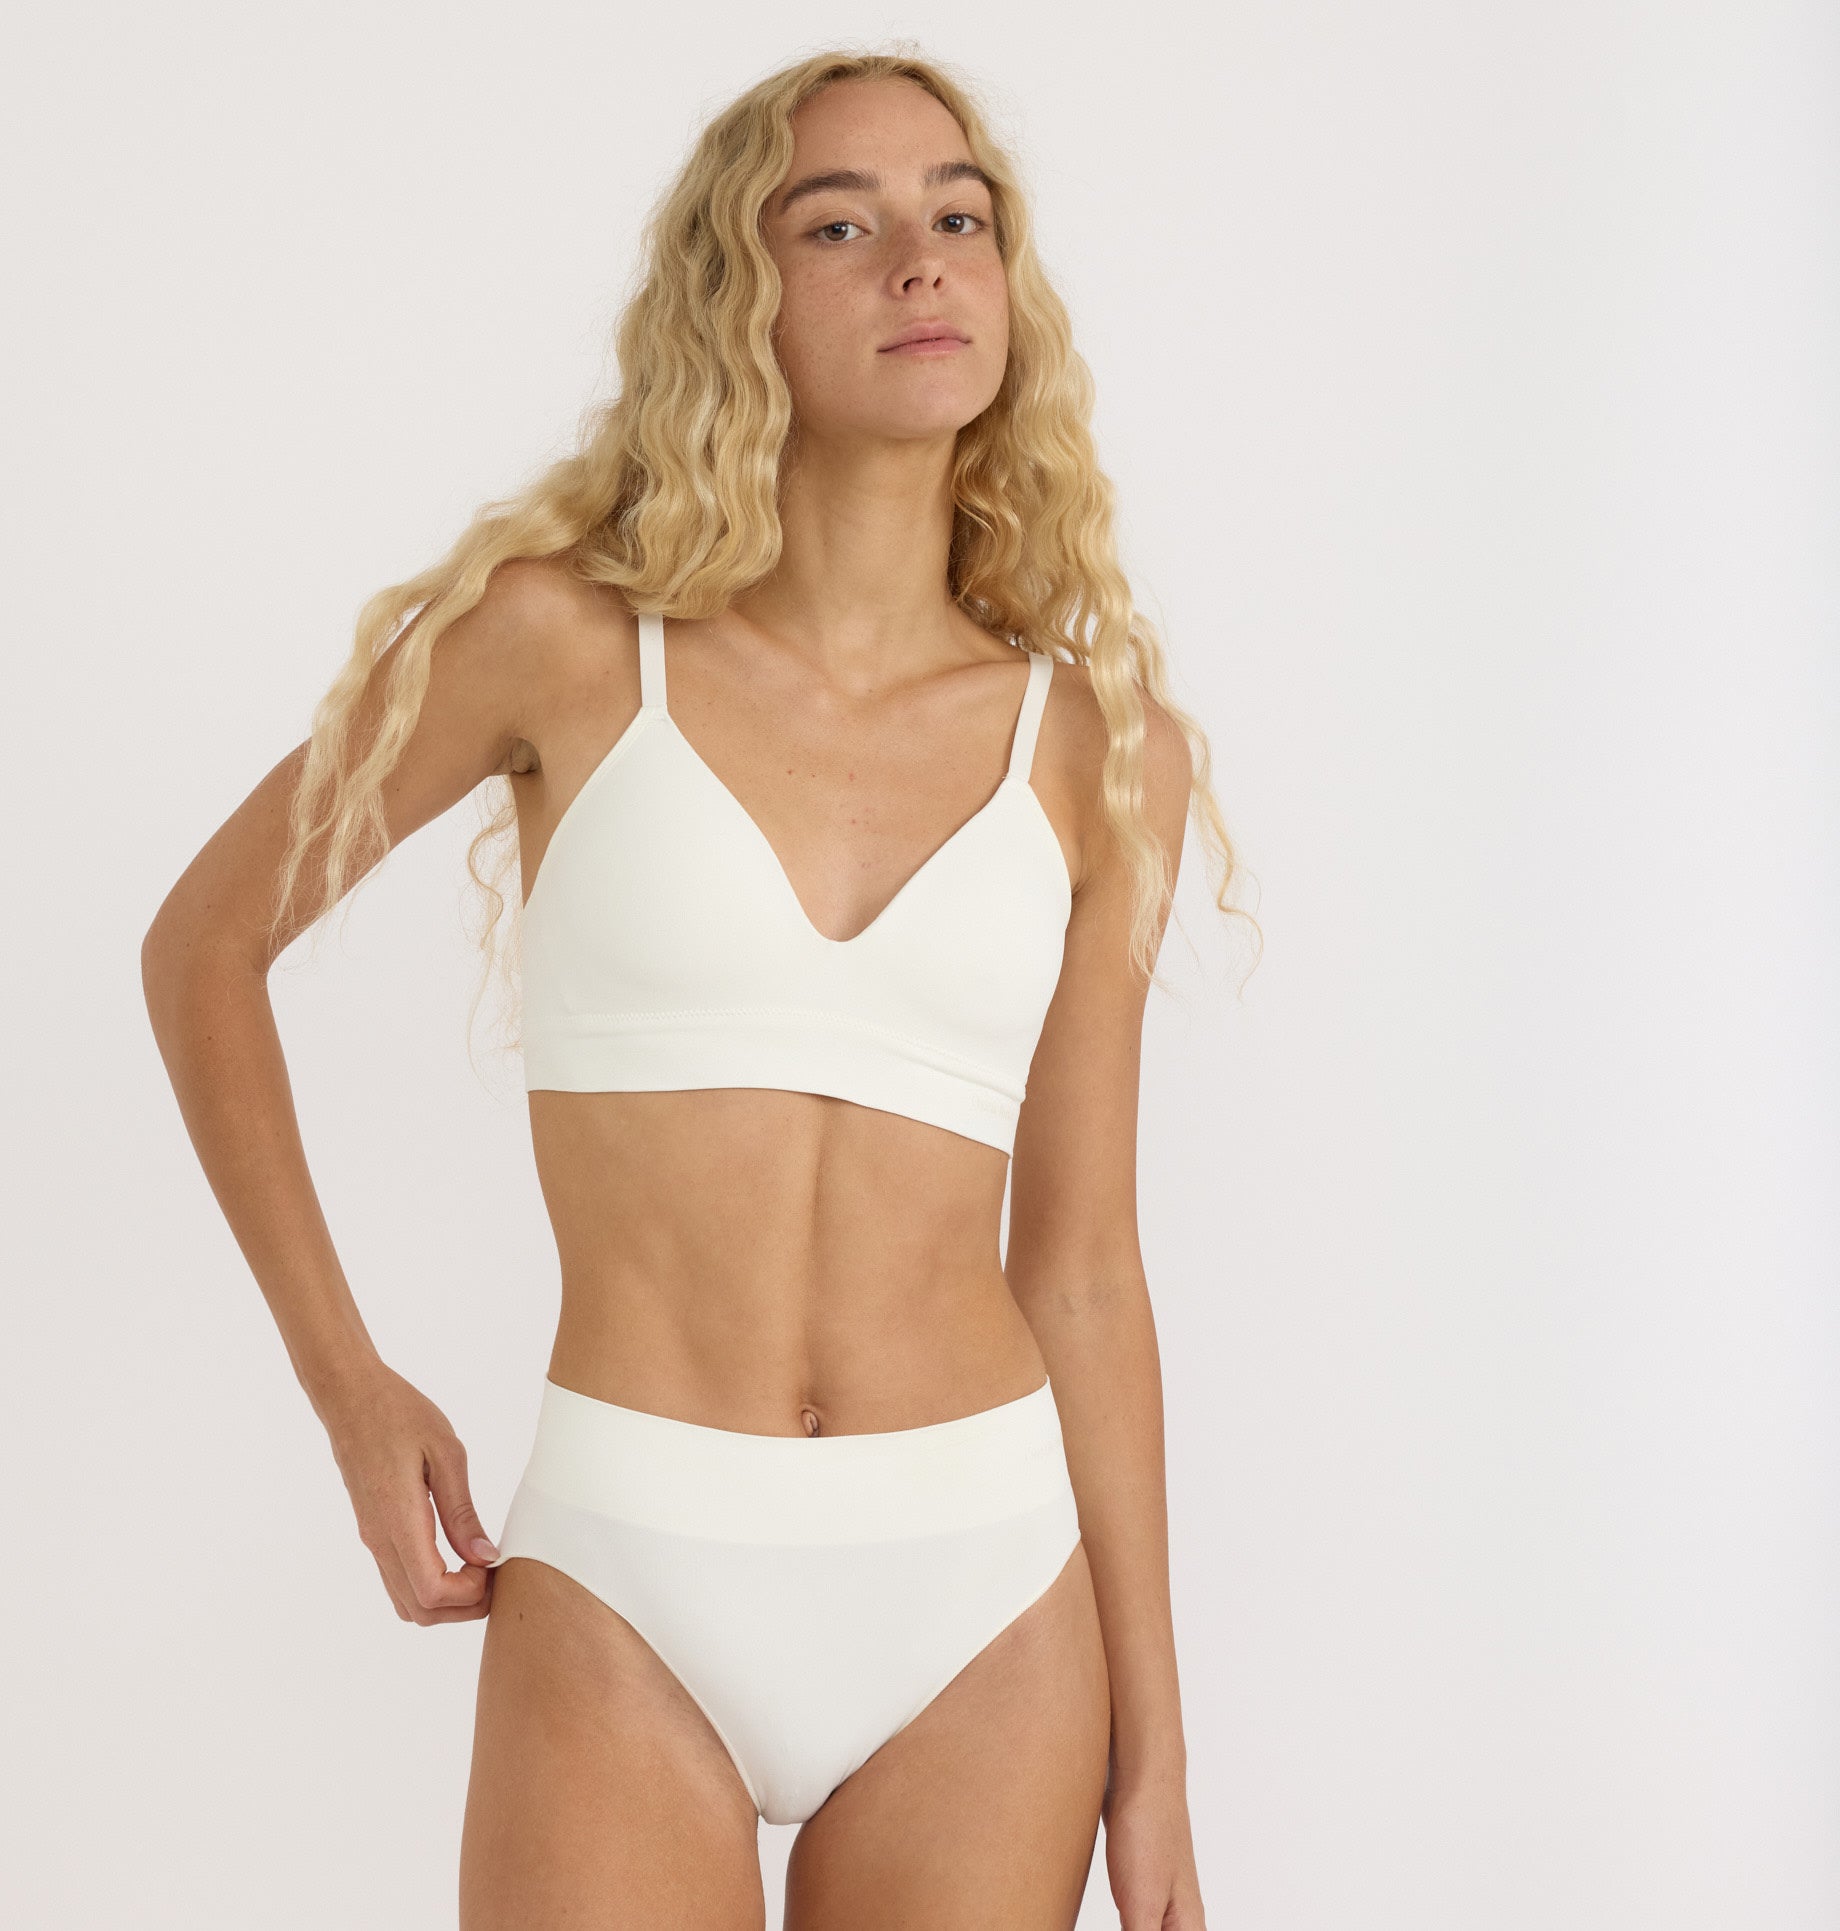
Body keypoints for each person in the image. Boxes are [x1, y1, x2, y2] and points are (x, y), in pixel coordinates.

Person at [143, 45, 1253, 1931]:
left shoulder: (1097, 748)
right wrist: (350, 1388)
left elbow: (1080, 1264)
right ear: (740, 299)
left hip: (984, 1590)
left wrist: (1158, 1760)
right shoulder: (560, 647)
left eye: (959, 216)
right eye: (842, 224)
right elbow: (205, 947)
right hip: (631, 1563)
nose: (921, 259)